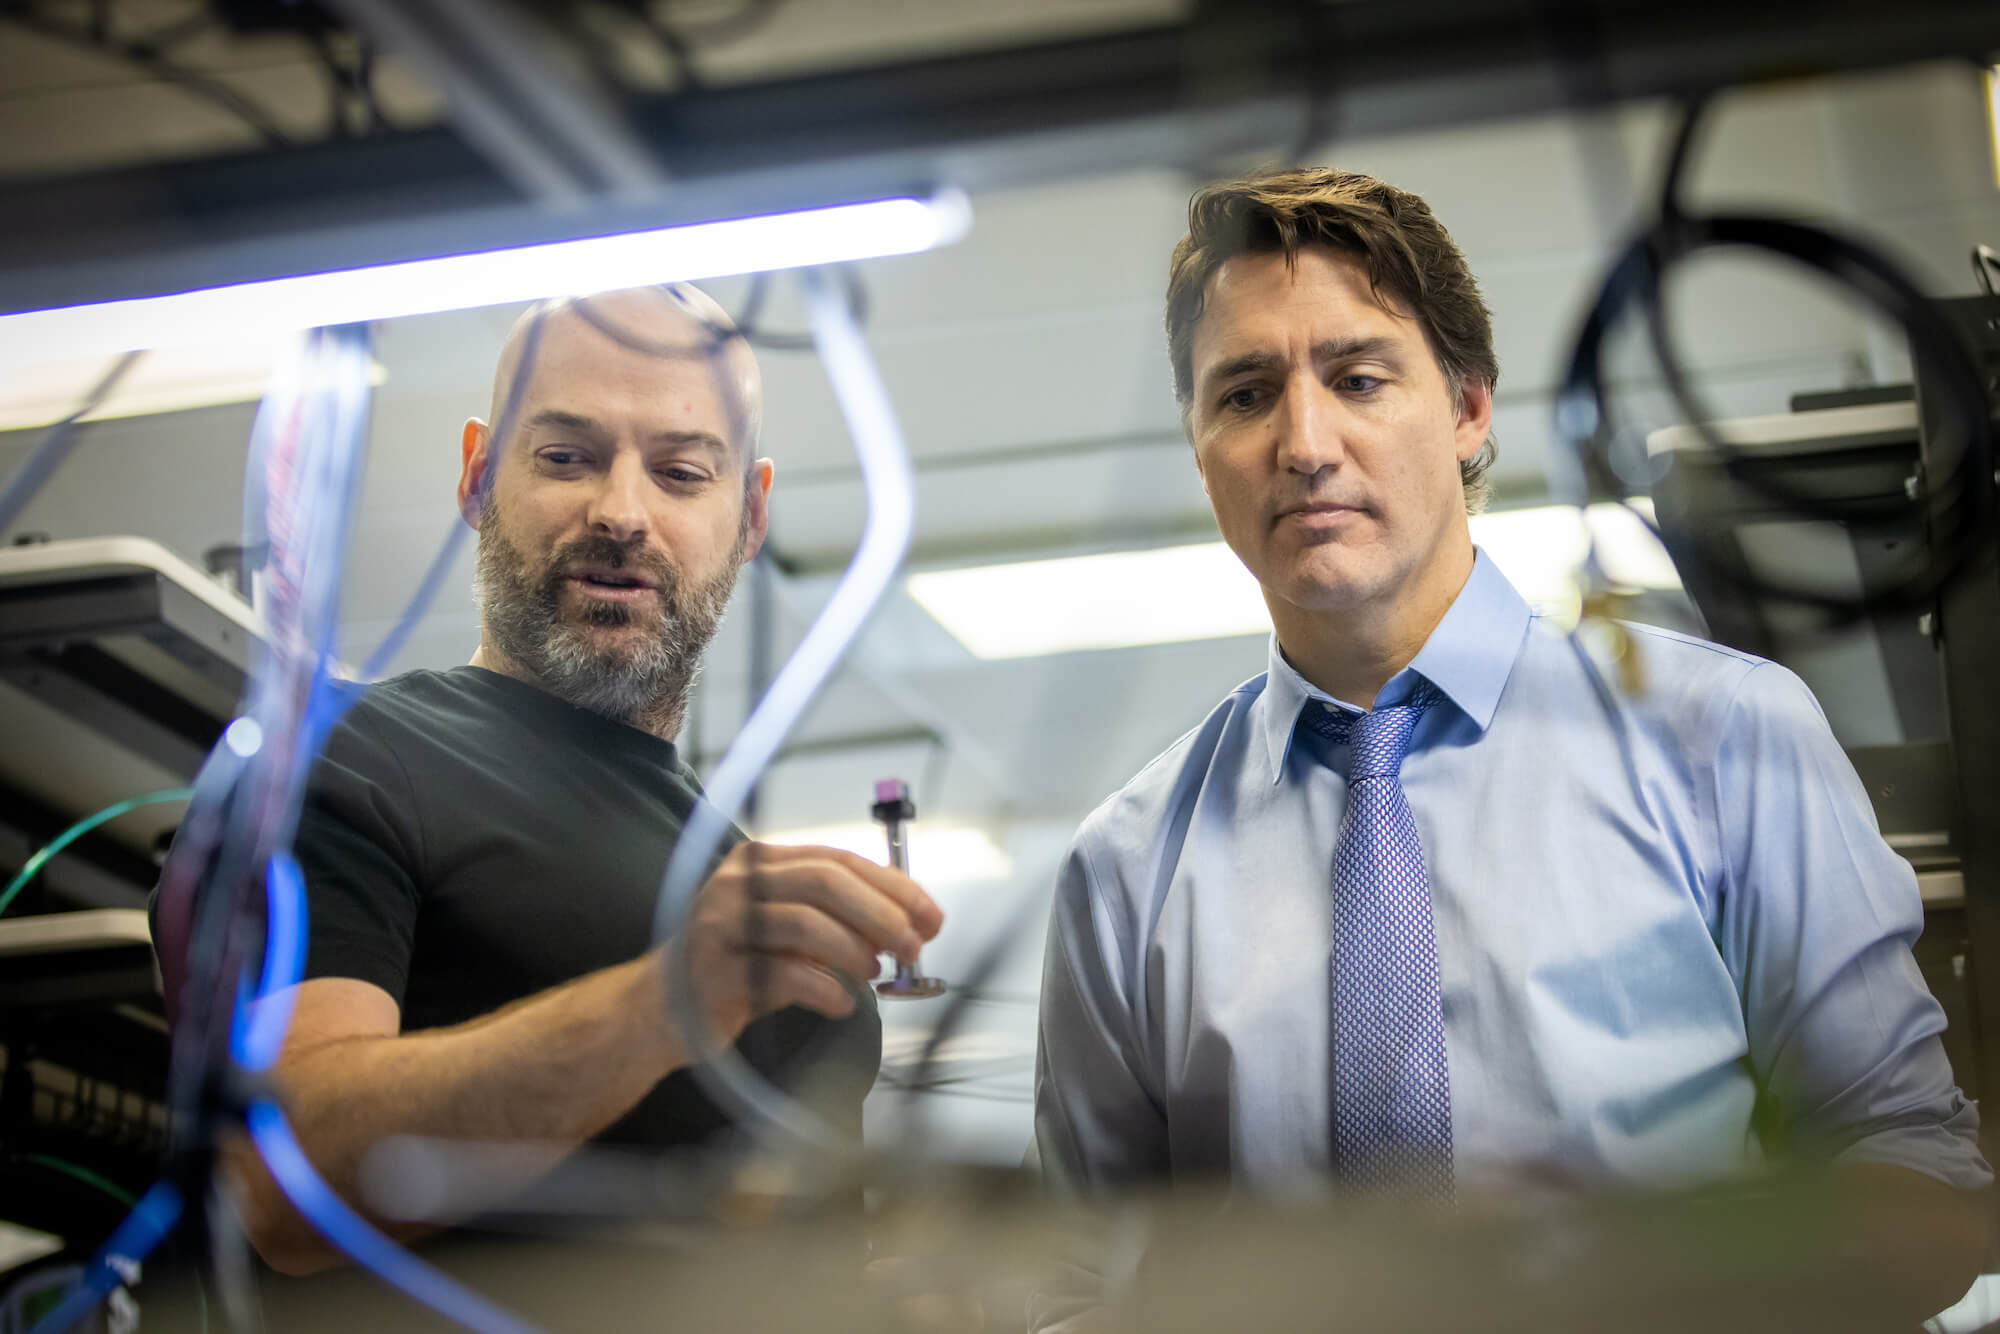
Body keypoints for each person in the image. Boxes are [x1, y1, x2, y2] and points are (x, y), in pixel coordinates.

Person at [1032, 169, 1989, 1319]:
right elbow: (1074, 1288)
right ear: (1198, 447)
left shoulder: (1720, 737)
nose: (1301, 440)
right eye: (1242, 395)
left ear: (1468, 406)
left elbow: (1916, 1176)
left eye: (1357, 377)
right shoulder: (1126, 867)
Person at [153, 285, 942, 1277]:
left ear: (749, 513)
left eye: (680, 471)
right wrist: (664, 1002)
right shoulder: (341, 763)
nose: (619, 511)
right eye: (566, 456)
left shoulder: (744, 890)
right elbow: (284, 1184)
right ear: (477, 476)